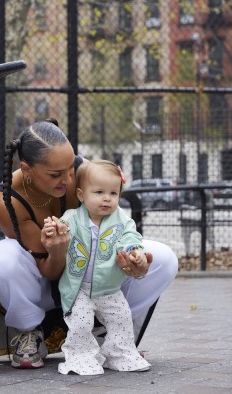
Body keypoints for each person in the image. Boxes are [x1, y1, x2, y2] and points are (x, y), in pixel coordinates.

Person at [0, 119, 178, 369]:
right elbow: (49, 270)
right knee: (3, 257)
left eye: (70, 168)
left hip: (94, 279)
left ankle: (111, 335)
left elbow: (115, 223)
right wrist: (57, 250)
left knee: (163, 258)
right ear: (27, 169)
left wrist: (133, 260)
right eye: (56, 174)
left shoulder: (79, 172)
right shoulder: (9, 200)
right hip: (43, 283)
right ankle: (30, 333)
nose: (68, 179)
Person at [44, 160, 150, 375]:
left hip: (109, 289)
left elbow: (129, 238)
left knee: (121, 319)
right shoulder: (73, 218)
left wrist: (135, 252)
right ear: (82, 195)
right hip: (78, 288)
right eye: (99, 192)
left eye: (113, 193)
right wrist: (54, 228)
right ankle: (81, 356)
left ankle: (119, 354)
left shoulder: (121, 220)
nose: (107, 198)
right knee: (81, 324)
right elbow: (63, 229)